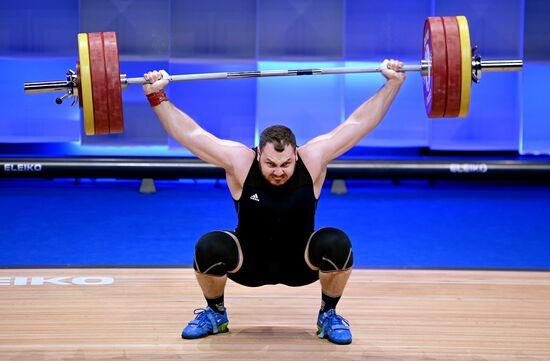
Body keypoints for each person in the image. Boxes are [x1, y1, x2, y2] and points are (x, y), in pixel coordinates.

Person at [142, 59, 405, 345]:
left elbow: (359, 122)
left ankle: (328, 315)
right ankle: (216, 314)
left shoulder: (313, 159)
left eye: (285, 163)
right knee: (209, 246)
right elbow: (191, 135)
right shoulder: (240, 161)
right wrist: (157, 96)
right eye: (270, 163)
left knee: (337, 243)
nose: (278, 171)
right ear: (258, 155)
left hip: (301, 264)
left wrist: (393, 84)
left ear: (296, 154)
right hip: (248, 264)